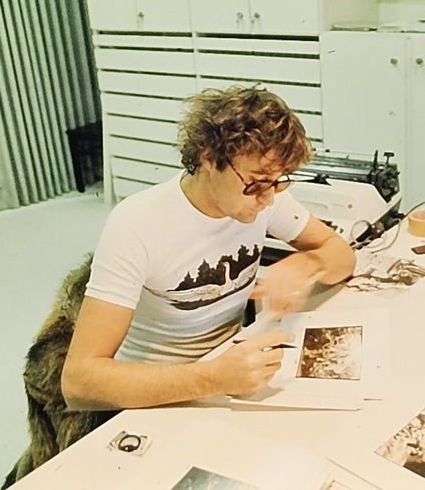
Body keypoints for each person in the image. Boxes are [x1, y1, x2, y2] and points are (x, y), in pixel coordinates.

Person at [61, 85, 356, 411]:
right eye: (256, 182)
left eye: (279, 182)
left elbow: (342, 254)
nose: (268, 199)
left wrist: (306, 265)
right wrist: (213, 377)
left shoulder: (266, 197)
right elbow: (78, 382)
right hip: (156, 395)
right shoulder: (137, 224)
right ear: (208, 158)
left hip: (229, 367)